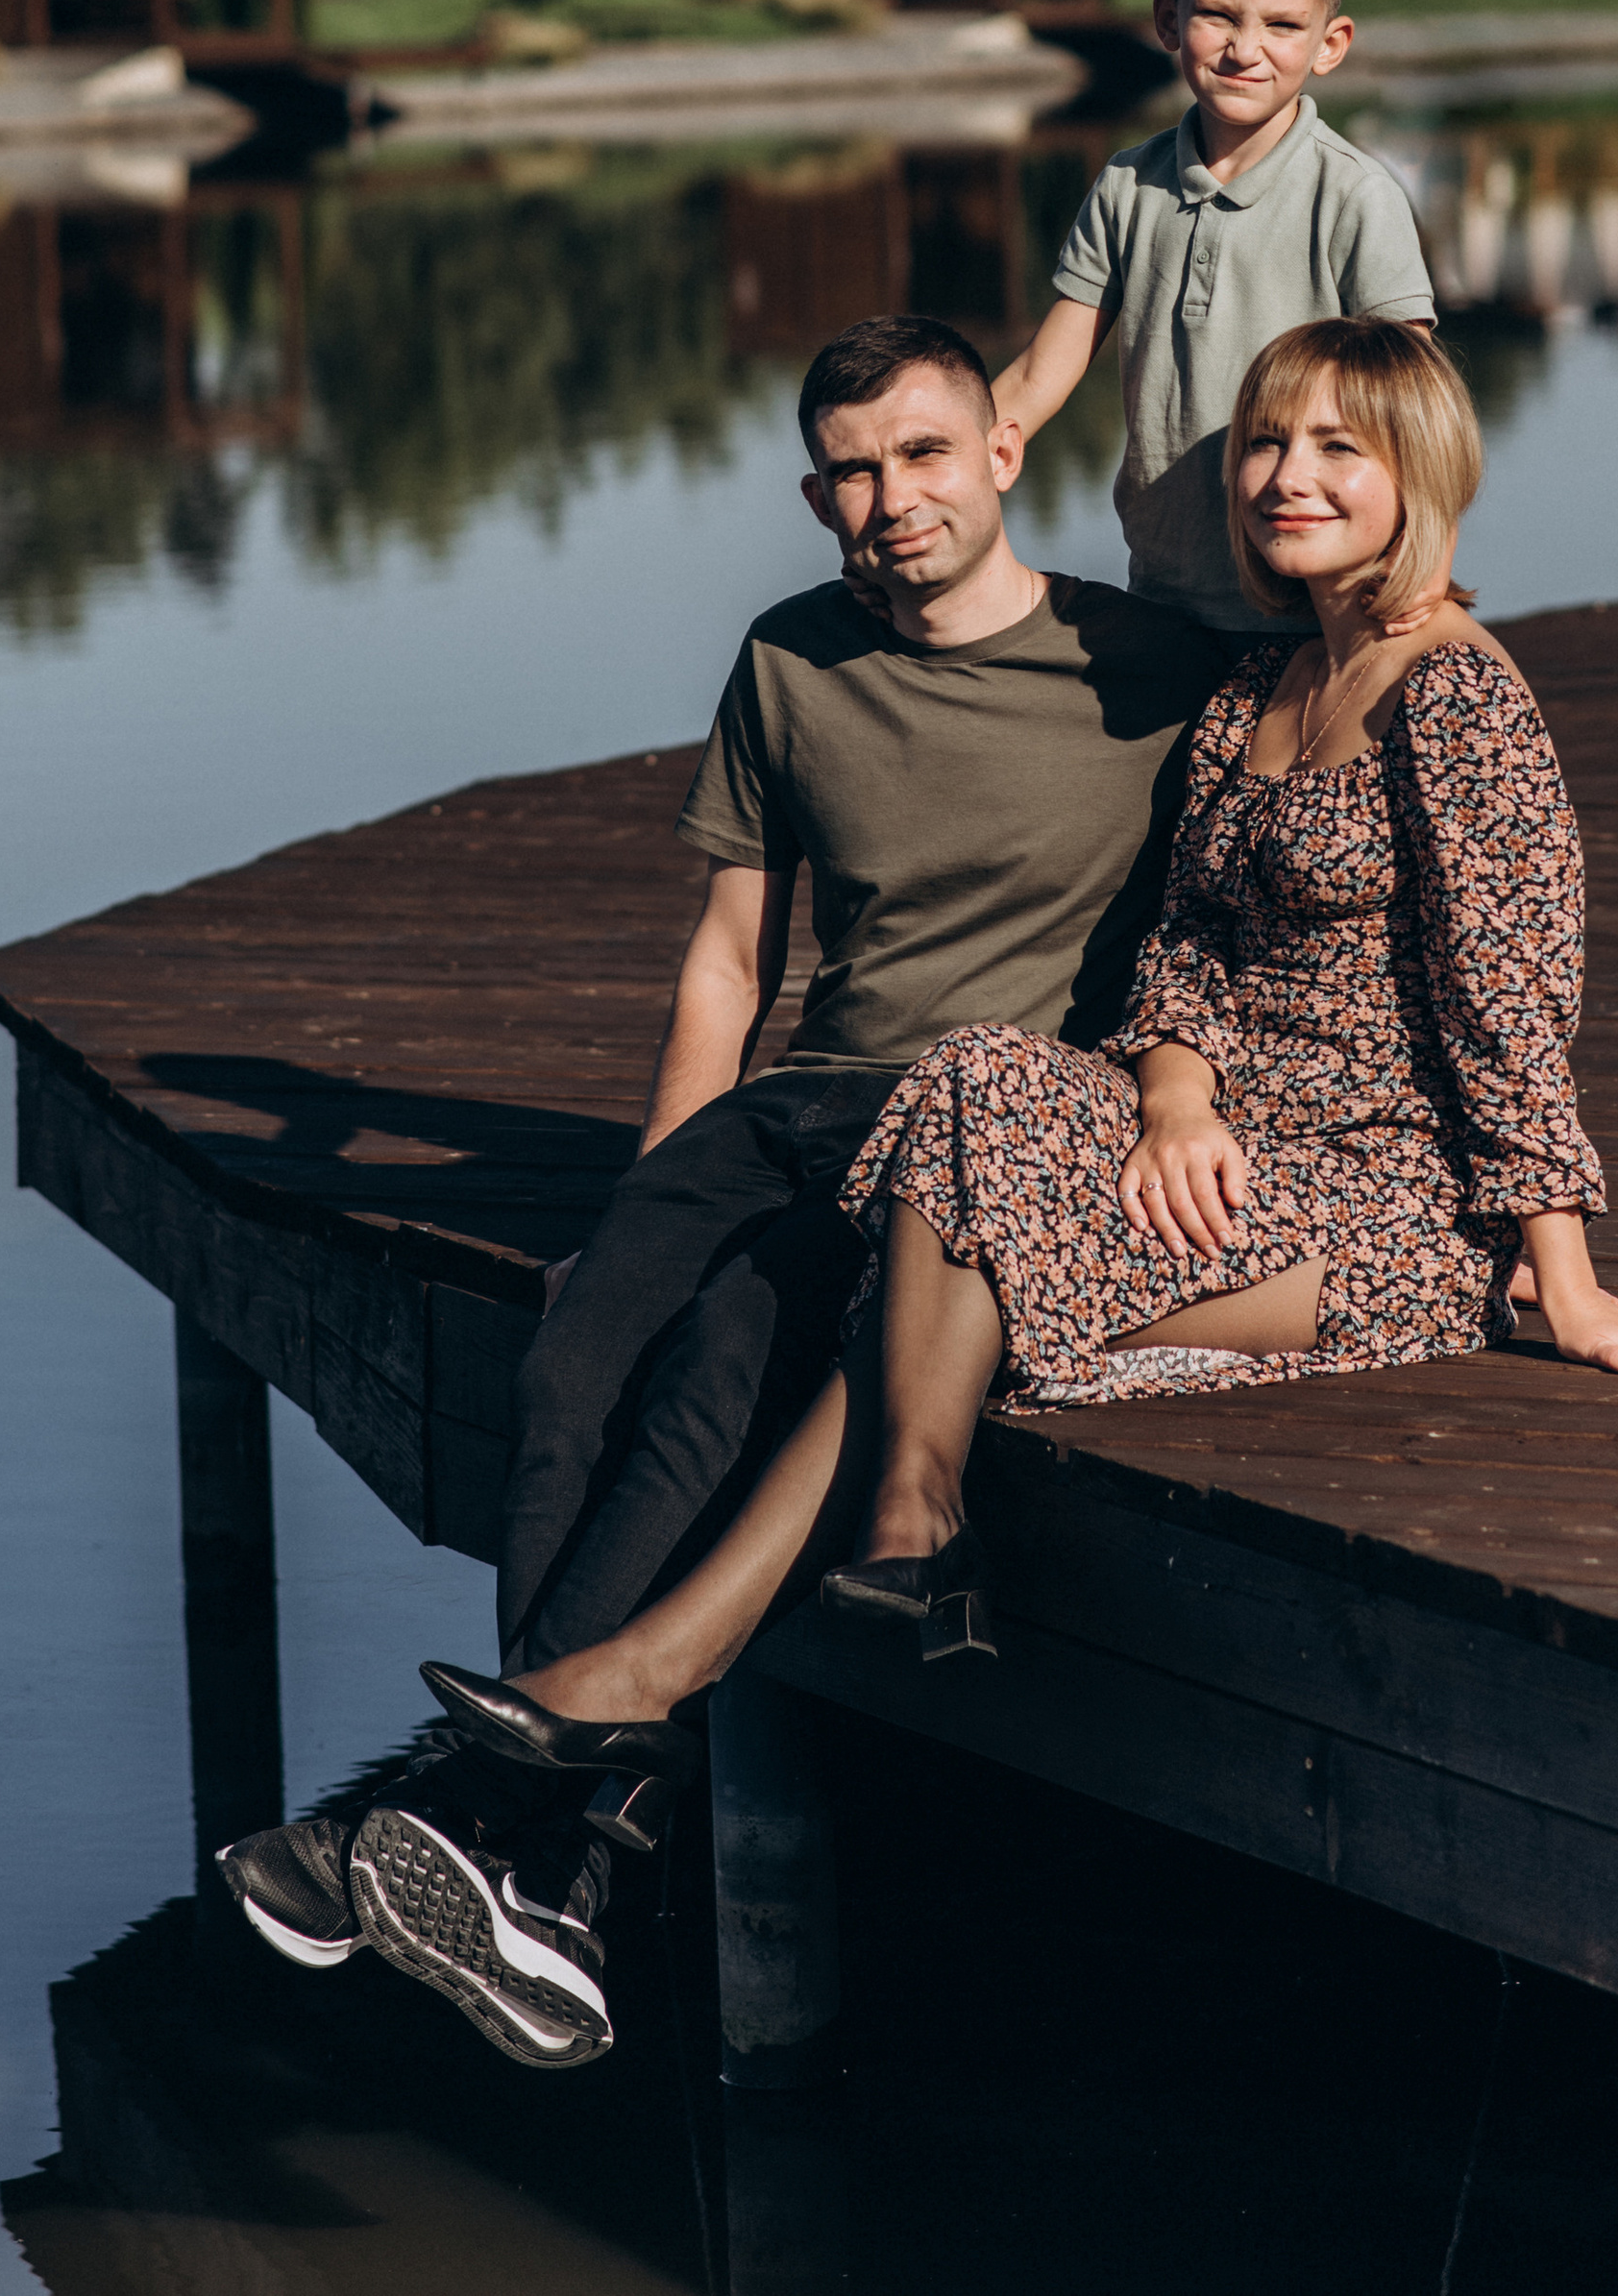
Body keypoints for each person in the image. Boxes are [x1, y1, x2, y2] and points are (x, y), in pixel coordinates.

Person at [402, 318, 1618, 1878]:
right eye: (1267, 441)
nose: (1289, 475)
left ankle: (663, 1673)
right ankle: (898, 1535)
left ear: (1423, 471)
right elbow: (1183, 946)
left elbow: (1507, 1000)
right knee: (975, 1072)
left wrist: (1564, 1276)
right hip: (1222, 1153)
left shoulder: (1458, 695)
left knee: (931, 1275)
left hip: (1388, 1203)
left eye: (1339, 448)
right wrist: (1175, 1098)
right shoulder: (1258, 686)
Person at [217, 310, 1229, 2063]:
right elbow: (728, 958)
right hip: (789, 1107)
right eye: (851, 472)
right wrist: (647, 1200)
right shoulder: (789, 657)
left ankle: (515, 1844)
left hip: (961, 1134)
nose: (891, 499)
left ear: (1004, 447)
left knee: (714, 1378)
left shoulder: (1145, 663)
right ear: (817, 496)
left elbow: (1239, 913)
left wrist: (1174, 1101)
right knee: (571, 1366)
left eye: (923, 453)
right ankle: (539, 1872)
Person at [992, 0, 1436, 635]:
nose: (1244, 49)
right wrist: (944, 474)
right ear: (1170, 19)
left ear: (1330, 44)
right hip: (1163, 594)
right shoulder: (1127, 185)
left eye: (1283, 25)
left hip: (1315, 608)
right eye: (1218, 16)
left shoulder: (1355, 197)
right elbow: (1037, 377)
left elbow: (1418, 411)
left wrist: (1421, 571)